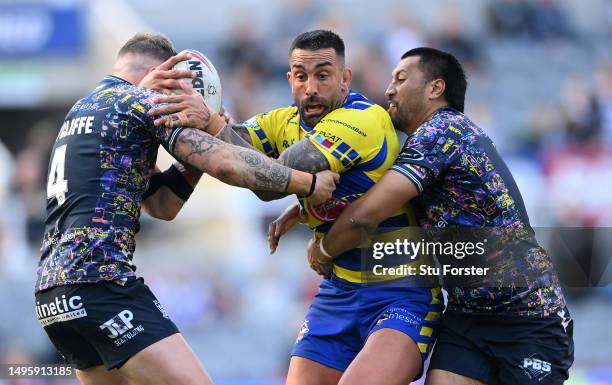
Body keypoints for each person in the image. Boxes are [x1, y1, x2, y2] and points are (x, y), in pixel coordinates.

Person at [35, 32, 338, 385]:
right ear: (168, 73)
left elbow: (161, 206)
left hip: (54, 295)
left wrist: (195, 145)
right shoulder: (142, 102)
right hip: (103, 284)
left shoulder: (86, 108)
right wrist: (308, 183)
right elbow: (225, 164)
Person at [149, 30, 442, 385]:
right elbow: (236, 149)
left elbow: (269, 181)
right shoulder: (283, 121)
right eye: (301, 76)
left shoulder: (362, 119)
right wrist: (207, 122)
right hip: (339, 290)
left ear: (345, 78)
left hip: (400, 290)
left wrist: (212, 123)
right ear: (290, 78)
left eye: (323, 75)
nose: (311, 87)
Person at [306, 47, 574, 385]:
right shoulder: (424, 144)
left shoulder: (443, 132)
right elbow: (364, 192)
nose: (389, 89)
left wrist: (325, 249)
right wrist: (300, 209)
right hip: (467, 319)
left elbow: (367, 214)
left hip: (529, 317)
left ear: (435, 88)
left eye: (401, 79)